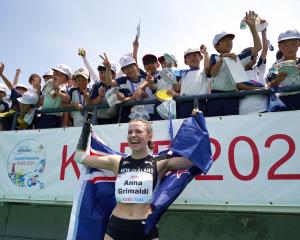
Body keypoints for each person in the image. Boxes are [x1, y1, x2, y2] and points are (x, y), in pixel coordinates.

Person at [74, 108, 205, 240]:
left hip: (145, 228)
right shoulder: (116, 162)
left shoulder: (160, 163)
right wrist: (85, 129)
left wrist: (196, 123)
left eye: (138, 131)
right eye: (130, 132)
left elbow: (197, 161)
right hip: (115, 227)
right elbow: (79, 157)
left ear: (149, 136)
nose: (133, 135)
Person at [207, 10, 262, 117]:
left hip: (232, 97)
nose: (228, 41)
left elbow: (258, 48)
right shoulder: (215, 57)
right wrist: (222, 58)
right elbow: (213, 73)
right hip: (215, 97)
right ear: (216, 47)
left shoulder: (238, 58)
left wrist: (252, 28)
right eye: (224, 40)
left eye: (230, 39)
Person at [238, 19, 269, 114]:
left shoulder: (258, 68)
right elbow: (239, 86)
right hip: (245, 111)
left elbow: (264, 50)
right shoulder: (237, 71)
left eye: (255, 56)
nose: (254, 59)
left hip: (264, 109)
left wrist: (263, 29)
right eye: (251, 56)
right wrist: (259, 89)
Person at [267, 29, 300, 110]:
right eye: (285, 45)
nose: (290, 48)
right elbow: (269, 86)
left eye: (293, 44)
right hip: (285, 101)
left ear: (299, 44)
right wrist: (278, 80)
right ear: (279, 47)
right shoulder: (276, 66)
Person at [35, 64, 72, 128]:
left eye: (60, 75)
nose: (56, 75)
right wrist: (33, 108)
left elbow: (67, 99)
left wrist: (59, 93)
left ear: (67, 79)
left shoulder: (64, 88)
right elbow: (43, 99)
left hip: (55, 118)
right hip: (43, 116)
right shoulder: (49, 83)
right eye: (55, 72)